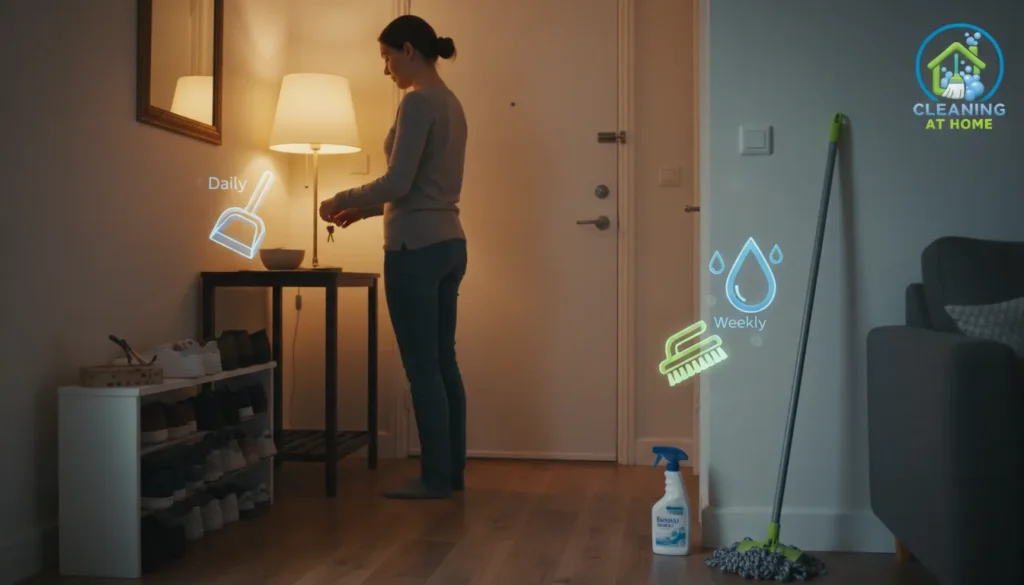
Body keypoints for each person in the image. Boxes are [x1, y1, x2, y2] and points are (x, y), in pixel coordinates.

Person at [319, 15, 468, 499]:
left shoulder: (417, 102)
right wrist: (361, 213)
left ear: (407, 50)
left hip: (414, 250)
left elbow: (399, 183)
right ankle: (451, 473)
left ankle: (433, 479)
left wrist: (342, 196)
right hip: (449, 242)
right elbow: (422, 187)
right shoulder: (452, 103)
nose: (386, 69)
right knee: (444, 362)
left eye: (386, 58)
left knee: (422, 368)